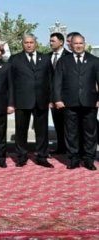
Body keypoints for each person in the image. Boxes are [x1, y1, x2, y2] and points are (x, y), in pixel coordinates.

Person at [53, 33, 98, 170]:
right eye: (75, 43)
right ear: (70, 45)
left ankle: (89, 159)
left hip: (90, 102)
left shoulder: (94, 60)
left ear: (85, 44)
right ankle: (73, 159)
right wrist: (58, 99)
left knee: (90, 132)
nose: (78, 46)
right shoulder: (63, 61)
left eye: (81, 43)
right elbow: (57, 81)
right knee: (71, 132)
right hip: (69, 102)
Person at [8, 34, 54, 168]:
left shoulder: (45, 58)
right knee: (21, 130)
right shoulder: (15, 59)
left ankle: (42, 157)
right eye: (26, 42)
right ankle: (21, 157)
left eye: (31, 42)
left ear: (36, 43)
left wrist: (51, 99)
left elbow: (50, 80)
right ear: (23, 44)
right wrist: (11, 102)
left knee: (42, 131)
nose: (29, 45)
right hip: (22, 100)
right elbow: (10, 82)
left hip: (41, 100)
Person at [49, 32, 71, 154]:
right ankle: (61, 147)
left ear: (61, 42)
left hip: (67, 97)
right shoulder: (47, 57)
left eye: (53, 41)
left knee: (69, 124)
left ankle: (71, 149)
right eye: (50, 41)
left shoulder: (69, 56)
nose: (51, 43)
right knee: (57, 123)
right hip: (53, 96)